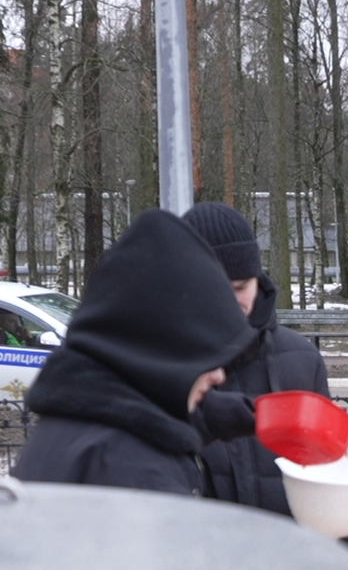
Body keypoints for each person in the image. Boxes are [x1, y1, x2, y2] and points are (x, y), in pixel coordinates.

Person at [14, 209, 254, 495]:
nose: (218, 375)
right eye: (204, 355)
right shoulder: (138, 473)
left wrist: (250, 415)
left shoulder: (77, 420)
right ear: (160, 349)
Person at [180, 201, 331, 515]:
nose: (234, 302)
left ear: (257, 280)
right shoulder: (164, 366)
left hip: (291, 556)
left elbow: (330, 476)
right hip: (200, 557)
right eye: (220, 289)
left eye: (242, 286)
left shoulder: (302, 360)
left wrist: (344, 547)